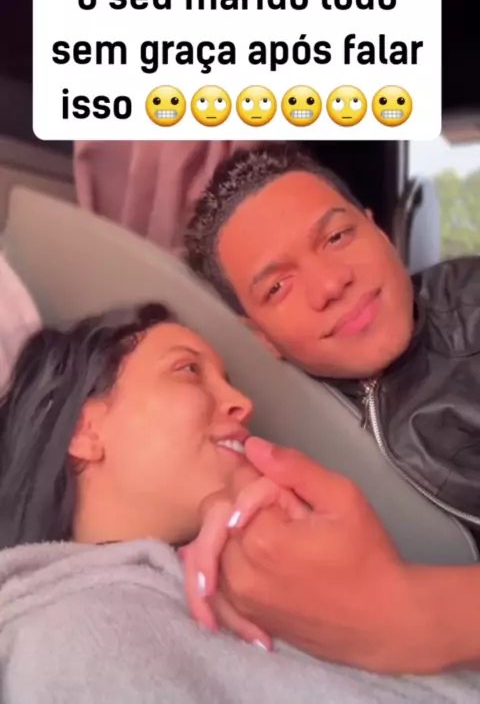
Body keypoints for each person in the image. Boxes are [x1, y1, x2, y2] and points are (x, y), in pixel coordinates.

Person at [1, 305, 479, 703]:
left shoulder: (271, 576)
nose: (241, 402)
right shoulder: (68, 639)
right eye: (188, 370)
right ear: (84, 431)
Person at [184, 142, 480, 675]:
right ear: (260, 337)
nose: (329, 284)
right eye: (278, 287)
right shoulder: (264, 413)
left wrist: (418, 619)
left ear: (380, 232)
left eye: (338, 237)